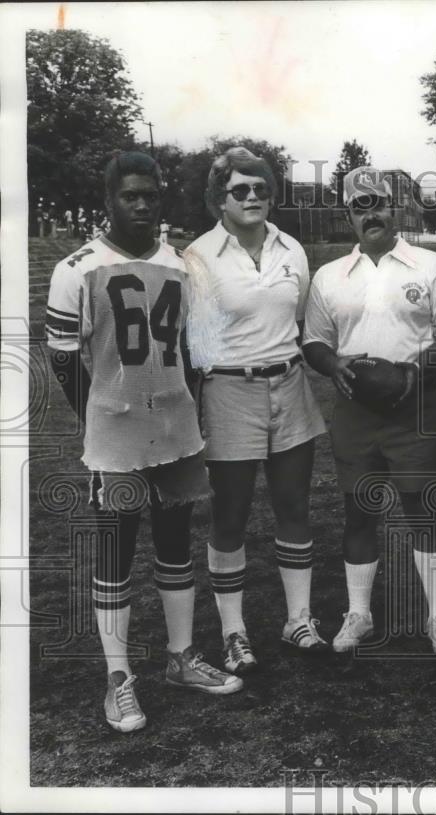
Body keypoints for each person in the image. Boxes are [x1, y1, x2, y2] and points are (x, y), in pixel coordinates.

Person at [45, 152, 242, 734]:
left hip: (177, 427)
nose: (141, 205)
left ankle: (181, 658)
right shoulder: (76, 267)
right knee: (116, 551)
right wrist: (98, 418)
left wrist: (184, 405)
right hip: (115, 433)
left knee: (176, 544)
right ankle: (118, 677)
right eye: (130, 195)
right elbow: (61, 358)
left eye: (150, 196)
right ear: (108, 200)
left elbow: (196, 351)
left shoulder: (183, 266)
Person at [302, 166, 436, 655]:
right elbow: (312, 340)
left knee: (422, 509)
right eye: (359, 206)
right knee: (359, 511)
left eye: (377, 203)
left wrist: (416, 369)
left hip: (414, 406)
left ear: (394, 208)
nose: (369, 213)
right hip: (355, 408)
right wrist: (333, 363)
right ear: (348, 215)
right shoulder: (329, 276)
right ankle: (359, 614)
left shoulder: (430, 266)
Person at [183, 147, 328, 675]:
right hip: (229, 392)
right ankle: (234, 632)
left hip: (290, 387)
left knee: (294, 505)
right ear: (219, 199)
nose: (251, 198)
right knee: (231, 515)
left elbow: (301, 321)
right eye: (239, 190)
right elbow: (195, 345)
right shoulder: (197, 256)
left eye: (260, 189)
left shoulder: (292, 248)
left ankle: (299, 619)